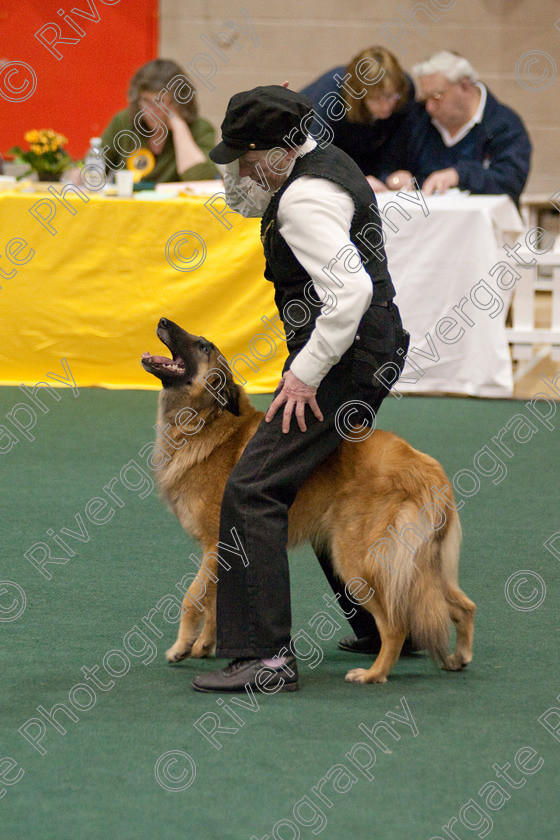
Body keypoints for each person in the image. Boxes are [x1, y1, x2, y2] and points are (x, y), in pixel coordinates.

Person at [191, 85, 409, 693]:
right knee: (319, 479)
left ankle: (266, 657)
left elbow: (351, 294)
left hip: (344, 362)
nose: (238, 170)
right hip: (374, 350)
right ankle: (385, 623)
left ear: (274, 152)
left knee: (253, 487)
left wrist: (305, 374)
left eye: (244, 156)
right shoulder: (324, 164)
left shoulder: (303, 199)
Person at [391, 51, 531, 205]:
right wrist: (393, 177)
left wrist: (459, 175)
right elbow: (388, 163)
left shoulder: (504, 124)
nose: (430, 107)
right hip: (424, 222)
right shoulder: (418, 120)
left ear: (465, 87)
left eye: (437, 97)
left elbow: (511, 182)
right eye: (426, 98)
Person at [301, 46, 415, 192]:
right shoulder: (331, 96)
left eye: (390, 96)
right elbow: (313, 154)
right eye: (375, 99)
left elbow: (396, 142)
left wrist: (389, 175)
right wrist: (353, 179)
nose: (386, 106)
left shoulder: (405, 89)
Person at [100, 59, 217, 183]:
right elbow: (94, 164)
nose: (151, 110)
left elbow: (200, 180)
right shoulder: (124, 121)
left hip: (175, 203)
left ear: (177, 102)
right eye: (145, 100)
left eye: (159, 102)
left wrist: (179, 126)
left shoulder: (200, 128)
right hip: (128, 202)